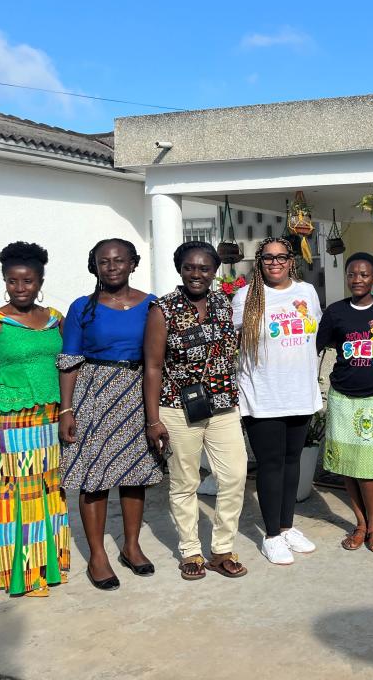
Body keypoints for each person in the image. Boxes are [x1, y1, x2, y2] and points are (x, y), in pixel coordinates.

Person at [58, 238, 162, 591]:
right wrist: (67, 409)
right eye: (104, 261)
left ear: (133, 263)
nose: (112, 266)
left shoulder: (151, 305)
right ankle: (98, 555)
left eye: (119, 260)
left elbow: (157, 359)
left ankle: (131, 547)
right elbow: (69, 359)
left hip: (137, 394)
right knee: (94, 477)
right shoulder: (82, 308)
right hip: (94, 395)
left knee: (134, 474)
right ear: (95, 266)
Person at [144, 241, 249, 580]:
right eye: (190, 267)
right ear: (180, 269)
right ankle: (190, 550)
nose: (197, 274)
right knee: (185, 480)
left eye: (204, 268)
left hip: (222, 405)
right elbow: (153, 366)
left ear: (215, 272)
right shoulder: (163, 308)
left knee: (234, 476)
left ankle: (221, 549)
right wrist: (153, 419)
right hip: (176, 405)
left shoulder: (224, 304)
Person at [0, 241, 69, 597]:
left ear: (40, 281)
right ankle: (24, 576)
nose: (20, 288)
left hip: (51, 416)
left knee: (49, 489)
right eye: (12, 282)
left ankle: (49, 565)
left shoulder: (55, 318)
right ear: (5, 281)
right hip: (13, 419)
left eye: (27, 281)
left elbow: (66, 365)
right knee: (20, 491)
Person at [232, 237, 323, 565]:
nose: (275, 263)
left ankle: (286, 527)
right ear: (260, 261)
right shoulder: (245, 297)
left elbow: (313, 333)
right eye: (268, 258)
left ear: (290, 261)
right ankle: (270, 536)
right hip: (264, 394)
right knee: (270, 465)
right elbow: (234, 343)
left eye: (281, 257)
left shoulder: (306, 292)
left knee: (292, 462)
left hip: (300, 392)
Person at [317, 252, 373, 552]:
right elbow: (317, 347)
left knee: (366, 465)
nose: (357, 279)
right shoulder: (336, 312)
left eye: (364, 274)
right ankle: (361, 524)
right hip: (342, 396)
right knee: (346, 464)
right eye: (352, 274)